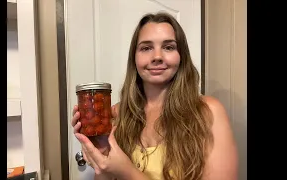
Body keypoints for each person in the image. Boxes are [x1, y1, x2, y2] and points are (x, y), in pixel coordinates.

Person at [71, 12, 238, 180]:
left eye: (168, 47)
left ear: (181, 56)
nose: (157, 57)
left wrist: (127, 172)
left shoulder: (208, 111)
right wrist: (102, 157)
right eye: (146, 48)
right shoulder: (118, 113)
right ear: (134, 58)